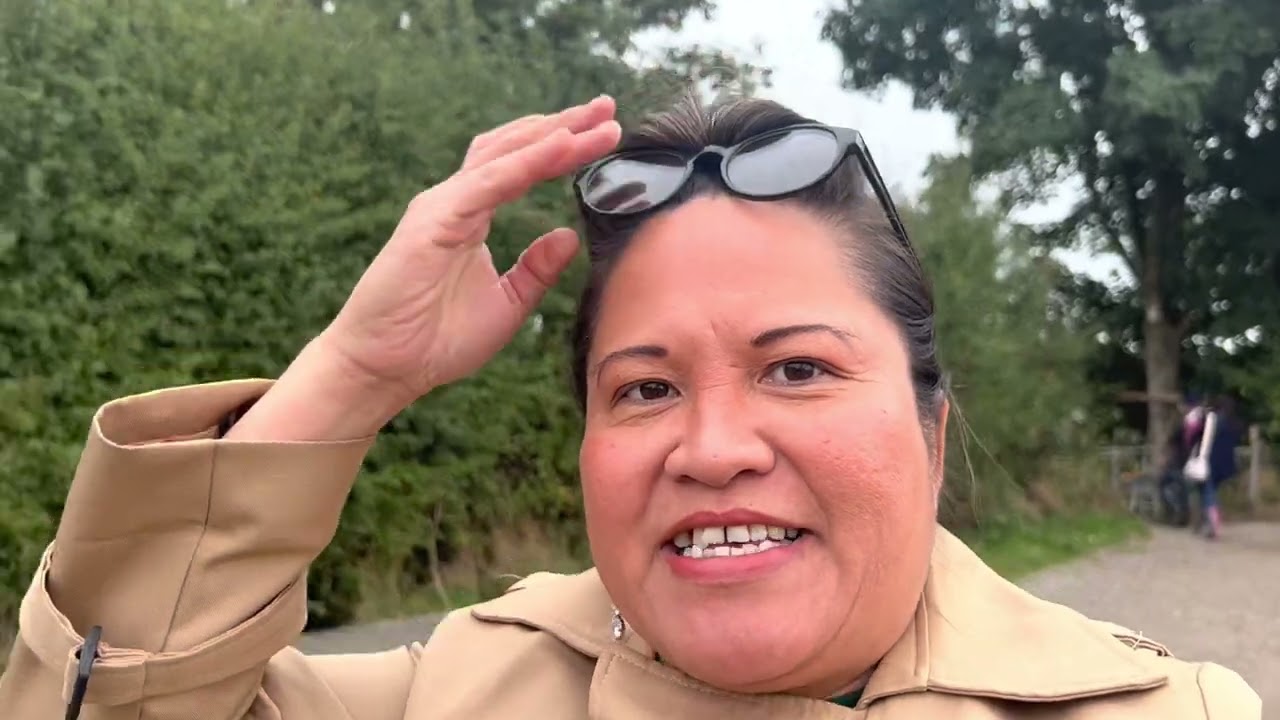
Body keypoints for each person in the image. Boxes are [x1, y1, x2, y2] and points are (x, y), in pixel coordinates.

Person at [0, 94, 1259, 719]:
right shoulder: (451, 694)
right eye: (643, 389)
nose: (710, 449)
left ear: (930, 434)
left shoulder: (1173, 714)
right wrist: (354, 373)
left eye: (797, 369)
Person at [1190, 395, 1245, 539]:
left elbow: (1199, 437)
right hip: (1225, 462)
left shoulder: (1212, 420)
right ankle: (1207, 520)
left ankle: (1211, 521)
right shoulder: (1233, 422)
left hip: (1209, 461)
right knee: (1211, 490)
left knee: (1207, 492)